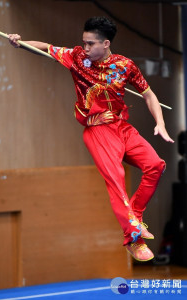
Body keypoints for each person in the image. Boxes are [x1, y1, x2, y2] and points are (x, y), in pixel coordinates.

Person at [9, 16, 174, 262]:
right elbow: (44, 48)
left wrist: (159, 123)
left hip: (122, 127)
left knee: (156, 165)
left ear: (106, 43)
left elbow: (149, 95)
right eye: (83, 42)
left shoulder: (125, 65)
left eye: (90, 44)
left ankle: (136, 215)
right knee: (117, 180)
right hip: (98, 130)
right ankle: (133, 239)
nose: (85, 48)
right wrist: (20, 43)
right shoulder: (77, 57)